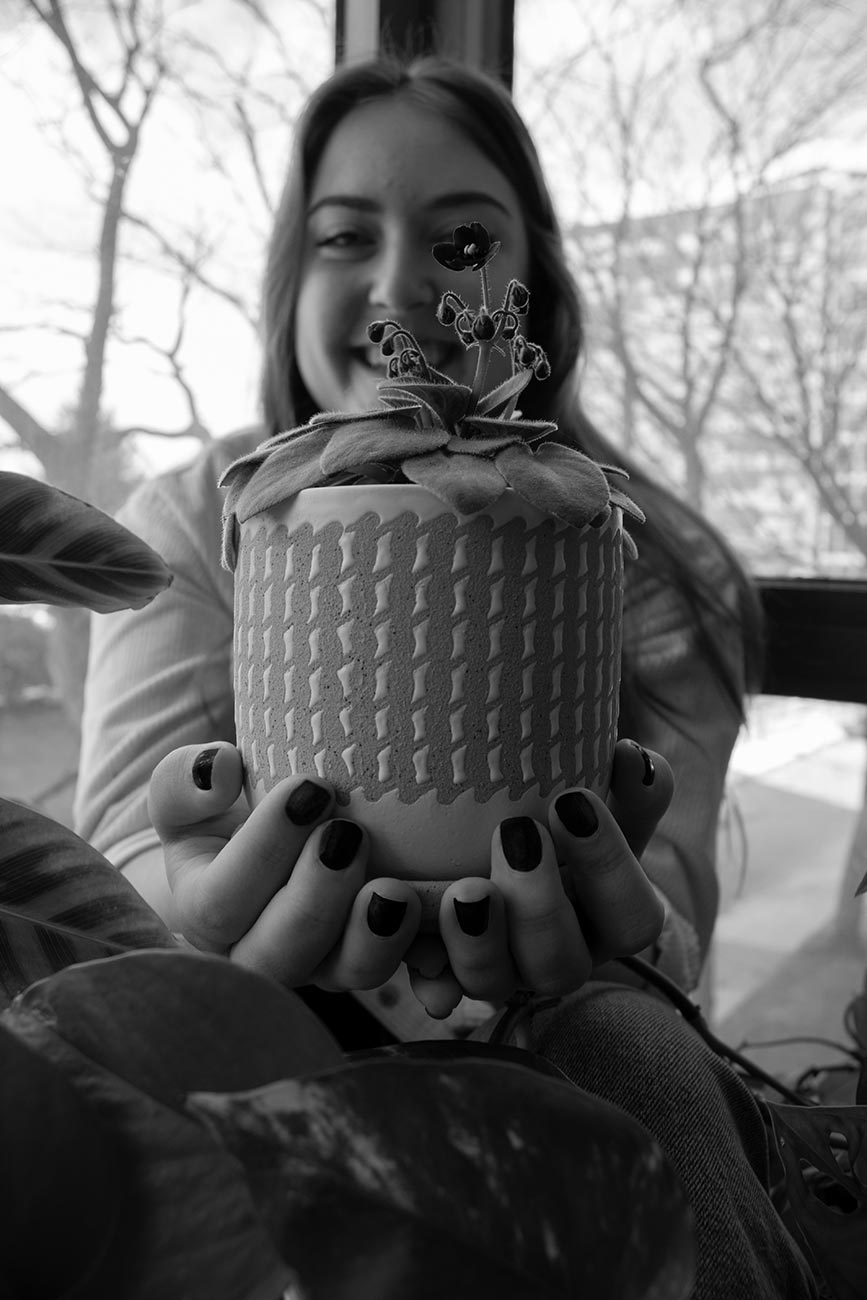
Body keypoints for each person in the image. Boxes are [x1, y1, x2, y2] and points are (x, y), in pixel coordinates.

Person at [74, 55, 817, 1297]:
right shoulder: (215, 516)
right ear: (289, 281)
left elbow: (666, 918)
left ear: (534, 290)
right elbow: (113, 869)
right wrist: (199, 903)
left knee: (624, 1047)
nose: (400, 280)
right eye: (343, 234)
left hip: (569, 1032)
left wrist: (618, 936)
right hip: (266, 1028)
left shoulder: (635, 549)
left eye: (463, 240)